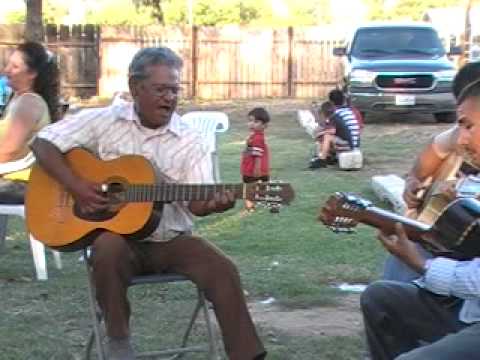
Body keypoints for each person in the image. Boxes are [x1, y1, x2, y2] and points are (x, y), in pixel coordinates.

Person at [31, 47, 266, 360]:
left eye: (174, 90)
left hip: (171, 240)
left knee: (222, 269)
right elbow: (42, 143)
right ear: (135, 87)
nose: (169, 98)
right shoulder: (104, 121)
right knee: (108, 246)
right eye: (160, 89)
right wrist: (78, 187)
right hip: (120, 244)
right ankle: (118, 342)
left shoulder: (190, 139)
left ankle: (247, 355)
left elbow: (196, 204)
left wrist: (214, 204)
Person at [361, 61, 480, 360]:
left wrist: (422, 265)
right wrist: (419, 184)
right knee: (380, 296)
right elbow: (429, 159)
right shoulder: (463, 144)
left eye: (467, 125)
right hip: (469, 303)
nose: (460, 137)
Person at [0, 41, 60, 204]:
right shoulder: (18, 99)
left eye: (15, 67)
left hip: (18, 182)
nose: (7, 70)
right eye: (8, 65)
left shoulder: (30, 102)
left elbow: (7, 152)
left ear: (32, 73)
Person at [308, 97, 360, 169]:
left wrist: (320, 133)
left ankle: (322, 160)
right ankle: (327, 156)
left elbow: (332, 131)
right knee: (323, 137)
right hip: (343, 143)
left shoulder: (334, 118)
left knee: (327, 136)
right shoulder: (333, 117)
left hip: (347, 145)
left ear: (323, 113)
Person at [240, 107, 270, 211]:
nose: (252, 124)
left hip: (253, 170)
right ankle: (257, 203)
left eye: (256, 121)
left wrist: (256, 169)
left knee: (249, 187)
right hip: (254, 169)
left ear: (264, 125)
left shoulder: (257, 138)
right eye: (250, 121)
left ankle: (250, 206)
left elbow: (258, 155)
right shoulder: (254, 136)